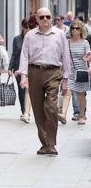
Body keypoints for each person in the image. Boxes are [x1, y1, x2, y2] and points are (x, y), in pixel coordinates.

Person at [19, 8, 71, 156]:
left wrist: (66, 79)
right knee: (38, 110)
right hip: (34, 72)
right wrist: (23, 76)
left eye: (48, 17)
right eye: (42, 17)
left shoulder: (60, 35)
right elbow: (24, 55)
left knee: (51, 107)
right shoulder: (30, 35)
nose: (45, 19)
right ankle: (45, 144)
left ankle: (52, 143)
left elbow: (65, 56)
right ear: (37, 19)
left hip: (53, 72)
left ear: (51, 18)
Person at [59, 19, 90, 125]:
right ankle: (63, 114)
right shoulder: (67, 42)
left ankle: (81, 115)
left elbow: (89, 55)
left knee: (80, 95)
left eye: (77, 28)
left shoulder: (85, 42)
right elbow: (62, 56)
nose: (74, 30)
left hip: (81, 72)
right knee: (67, 92)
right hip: (69, 71)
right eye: (73, 28)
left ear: (81, 30)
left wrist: (88, 58)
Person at [8, 18, 33, 123]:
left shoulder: (34, 38)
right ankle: (24, 111)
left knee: (30, 90)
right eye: (26, 27)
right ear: (22, 27)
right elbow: (14, 54)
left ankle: (28, 110)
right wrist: (10, 68)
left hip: (32, 68)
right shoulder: (17, 39)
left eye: (30, 27)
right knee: (21, 90)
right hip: (19, 68)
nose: (28, 29)